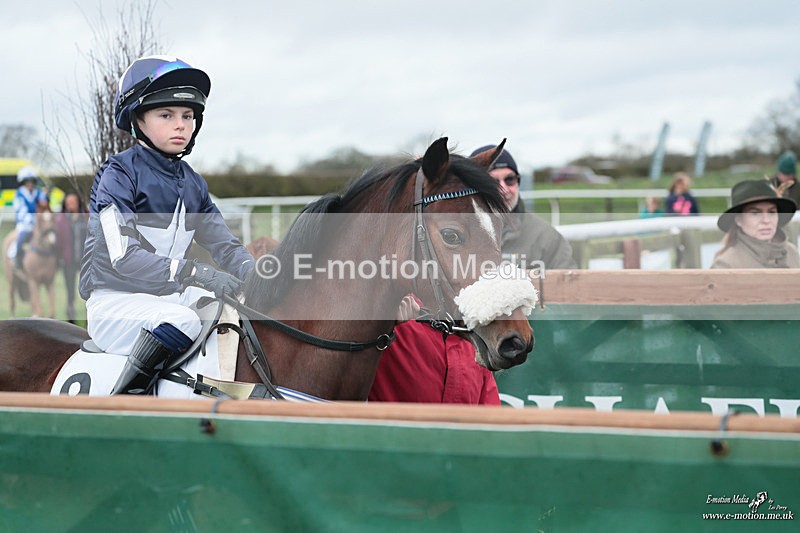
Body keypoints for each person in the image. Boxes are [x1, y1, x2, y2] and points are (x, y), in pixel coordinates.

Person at [79, 55, 254, 394]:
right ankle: (126, 403)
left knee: (231, 311)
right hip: (115, 303)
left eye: (188, 116)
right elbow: (124, 257)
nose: (180, 125)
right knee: (183, 320)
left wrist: (258, 276)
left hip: (166, 299)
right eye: (166, 115)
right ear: (137, 120)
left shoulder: (193, 183)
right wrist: (195, 272)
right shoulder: (117, 175)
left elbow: (225, 245)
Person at [369, 145, 573, 405]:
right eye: (495, 180)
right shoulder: (397, 281)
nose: (503, 187)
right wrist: (385, 325)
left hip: (472, 352)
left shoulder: (519, 236)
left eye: (510, 179)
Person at [711, 179, 799, 269]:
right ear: (738, 220)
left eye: (771, 212)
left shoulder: (792, 252)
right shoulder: (726, 264)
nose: (766, 220)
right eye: (755, 213)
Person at [55, 192, 88, 323]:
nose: (71, 205)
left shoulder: (85, 217)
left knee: (87, 291)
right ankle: (71, 319)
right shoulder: (62, 219)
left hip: (84, 260)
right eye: (68, 202)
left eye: (73, 202)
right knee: (70, 292)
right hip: (68, 260)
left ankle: (88, 319)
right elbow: (58, 241)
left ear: (78, 202)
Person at [11, 166, 48, 270]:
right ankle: (17, 260)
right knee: (21, 238)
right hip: (25, 224)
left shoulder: (37, 192)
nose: (30, 184)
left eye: (32, 181)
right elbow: (21, 212)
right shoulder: (19, 195)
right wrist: (33, 219)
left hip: (38, 223)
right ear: (23, 183)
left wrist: (46, 195)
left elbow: (43, 203)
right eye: (27, 181)